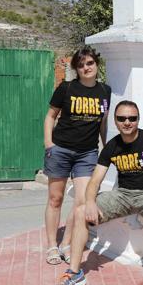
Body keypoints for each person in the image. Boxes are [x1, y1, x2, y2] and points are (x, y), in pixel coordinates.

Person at [50, 100, 143, 285]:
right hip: (123, 194)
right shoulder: (112, 146)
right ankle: (75, 272)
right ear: (115, 121)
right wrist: (91, 202)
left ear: (138, 120)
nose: (127, 122)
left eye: (132, 118)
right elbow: (94, 181)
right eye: (122, 118)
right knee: (80, 211)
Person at [43, 46, 111, 265]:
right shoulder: (66, 87)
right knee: (56, 199)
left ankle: (67, 243)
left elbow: (103, 123)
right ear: (76, 68)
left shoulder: (105, 91)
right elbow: (50, 116)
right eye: (81, 65)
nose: (86, 68)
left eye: (90, 63)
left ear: (96, 65)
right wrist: (49, 145)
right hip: (60, 149)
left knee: (82, 200)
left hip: (87, 153)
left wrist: (106, 148)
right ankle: (52, 245)